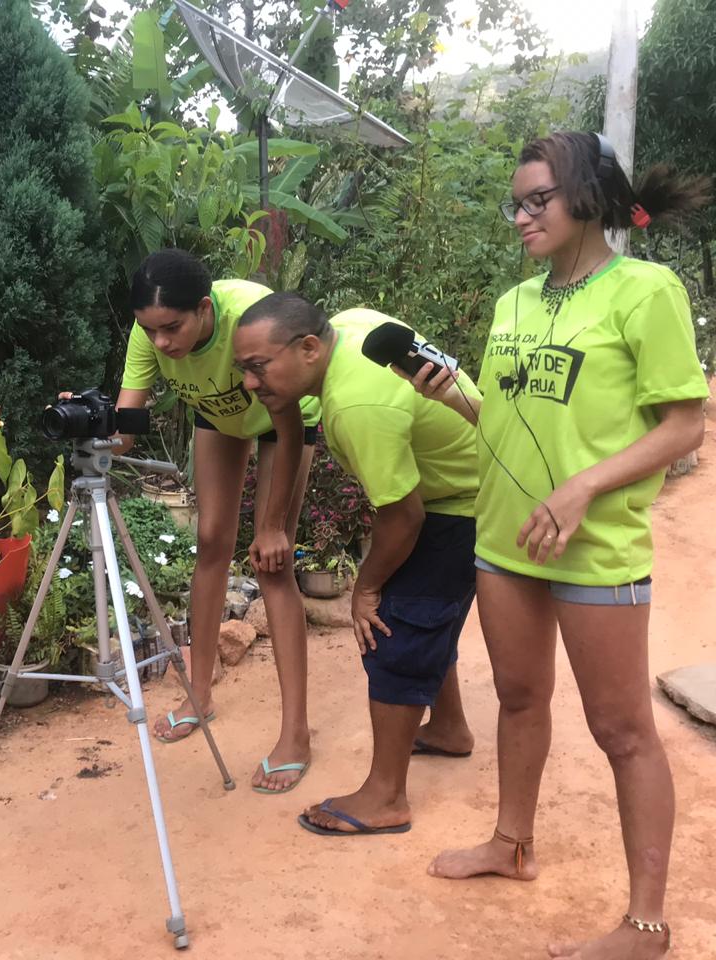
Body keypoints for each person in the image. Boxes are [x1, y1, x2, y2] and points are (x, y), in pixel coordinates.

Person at [411, 132, 708, 960]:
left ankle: (646, 925)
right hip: (505, 536)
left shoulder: (643, 290)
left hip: (595, 541)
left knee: (622, 730)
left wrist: (582, 488)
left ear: (587, 197)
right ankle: (512, 844)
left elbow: (684, 425)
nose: (521, 216)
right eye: (516, 203)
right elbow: (507, 419)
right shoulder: (514, 302)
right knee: (517, 697)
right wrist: (453, 396)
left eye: (537, 200)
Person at [233, 296, 479, 836]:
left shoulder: (354, 405)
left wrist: (365, 589)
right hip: (463, 485)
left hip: (464, 503)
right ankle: (449, 728)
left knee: (393, 628)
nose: (250, 383)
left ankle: (386, 797)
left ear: (309, 348)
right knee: (425, 616)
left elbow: (404, 515)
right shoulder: (351, 329)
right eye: (242, 369)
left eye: (258, 367)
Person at [111, 249, 319, 794]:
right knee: (209, 542)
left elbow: (286, 412)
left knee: (272, 561)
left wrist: (271, 525)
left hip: (285, 419)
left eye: (172, 328)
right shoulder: (150, 334)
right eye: (149, 330)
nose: (161, 342)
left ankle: (295, 734)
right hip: (221, 416)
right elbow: (125, 430)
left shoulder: (248, 317)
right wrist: (91, 427)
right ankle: (198, 694)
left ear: (204, 309)